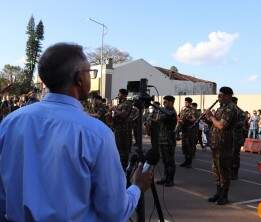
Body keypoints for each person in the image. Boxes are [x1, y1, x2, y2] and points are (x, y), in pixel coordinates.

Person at [0, 43, 152, 222]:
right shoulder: (96, 134)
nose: (90, 77)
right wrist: (136, 187)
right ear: (79, 78)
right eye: (90, 72)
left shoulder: (10, 122)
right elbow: (114, 212)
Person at [206, 87, 237, 205]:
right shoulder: (221, 108)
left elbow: (221, 126)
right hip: (216, 143)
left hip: (224, 144)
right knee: (216, 170)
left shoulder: (230, 109)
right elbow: (215, 124)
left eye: (221, 95)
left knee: (224, 171)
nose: (218, 98)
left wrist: (212, 116)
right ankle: (218, 193)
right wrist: (209, 118)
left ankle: (224, 196)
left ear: (228, 96)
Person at [156, 96, 177, 187]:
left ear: (171, 102)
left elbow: (159, 118)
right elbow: (157, 119)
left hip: (169, 140)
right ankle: (165, 178)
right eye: (164, 102)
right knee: (164, 161)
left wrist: (158, 109)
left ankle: (170, 179)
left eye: (166, 102)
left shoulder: (171, 112)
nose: (164, 104)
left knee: (170, 161)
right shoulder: (165, 111)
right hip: (162, 139)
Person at [111, 89, 133, 170]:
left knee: (123, 150)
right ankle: (120, 166)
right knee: (119, 149)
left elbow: (124, 115)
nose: (118, 95)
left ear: (124, 95)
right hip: (118, 129)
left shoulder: (127, 103)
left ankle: (123, 167)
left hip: (124, 130)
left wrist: (114, 109)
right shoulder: (121, 104)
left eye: (119, 94)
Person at [178, 97, 196, 168]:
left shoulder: (193, 110)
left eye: (187, 102)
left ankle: (189, 162)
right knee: (184, 146)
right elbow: (179, 116)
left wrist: (188, 119)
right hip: (183, 130)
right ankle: (186, 161)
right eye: (185, 102)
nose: (185, 103)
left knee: (189, 146)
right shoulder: (183, 109)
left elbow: (194, 120)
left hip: (189, 130)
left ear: (190, 103)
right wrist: (179, 120)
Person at [231, 96, 246, 180]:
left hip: (236, 138)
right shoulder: (228, 111)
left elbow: (241, 124)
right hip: (228, 137)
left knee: (235, 156)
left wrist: (229, 124)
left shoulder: (240, 112)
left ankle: (234, 173)